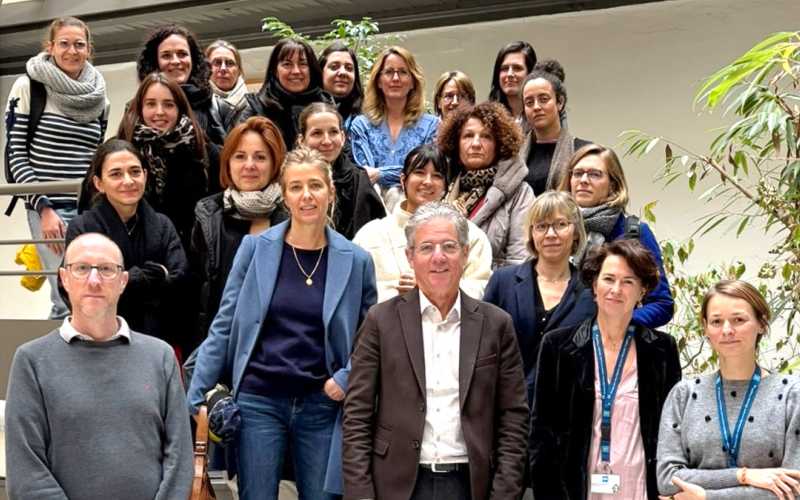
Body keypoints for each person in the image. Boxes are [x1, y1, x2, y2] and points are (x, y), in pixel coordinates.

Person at [187, 146, 377, 500]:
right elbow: (224, 323)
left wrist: (346, 378)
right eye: (295, 187)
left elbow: (371, 338)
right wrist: (195, 397)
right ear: (284, 195)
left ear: (330, 191)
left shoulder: (357, 261)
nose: (306, 195)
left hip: (321, 403)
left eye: (316, 185)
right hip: (259, 400)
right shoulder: (255, 249)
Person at [343, 201, 529, 500]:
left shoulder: (496, 324)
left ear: (465, 254)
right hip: (397, 485)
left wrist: (505, 493)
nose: (438, 257)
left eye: (449, 246)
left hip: (470, 483)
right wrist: (361, 494)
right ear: (410, 256)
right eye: (426, 247)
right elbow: (357, 415)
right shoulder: (381, 320)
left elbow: (513, 418)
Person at [5, 233, 193, 500]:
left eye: (106, 269)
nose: (94, 280)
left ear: (123, 282)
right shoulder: (31, 360)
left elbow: (180, 456)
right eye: (81, 268)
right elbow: (26, 471)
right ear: (64, 279)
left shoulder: (159, 356)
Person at [529, 239, 681, 500]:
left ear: (642, 291)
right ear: (594, 284)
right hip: (576, 489)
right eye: (608, 279)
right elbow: (541, 434)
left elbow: (673, 431)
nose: (616, 289)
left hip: (641, 488)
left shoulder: (661, 350)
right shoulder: (558, 345)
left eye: (628, 281)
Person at [4, 16, 109, 319]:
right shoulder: (29, 87)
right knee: (65, 297)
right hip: (47, 208)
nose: (72, 51)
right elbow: (16, 154)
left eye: (79, 44)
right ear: (50, 47)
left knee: (92, 293)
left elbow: (94, 158)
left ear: (89, 49)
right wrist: (44, 208)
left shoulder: (99, 97)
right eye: (64, 43)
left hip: (89, 208)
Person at [657, 280, 800, 500]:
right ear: (705, 327)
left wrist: (706, 497)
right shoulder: (684, 395)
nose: (727, 330)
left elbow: (794, 489)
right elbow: (668, 479)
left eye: (738, 320)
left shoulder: (791, 394)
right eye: (716, 321)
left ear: (762, 323)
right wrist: (744, 476)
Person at [66, 139, 189, 350]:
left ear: (145, 175)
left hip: (158, 340)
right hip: (99, 341)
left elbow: (179, 278)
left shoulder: (162, 224)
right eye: (115, 174)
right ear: (99, 183)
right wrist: (146, 277)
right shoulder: (82, 226)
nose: (128, 180)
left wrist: (118, 279)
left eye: (135, 171)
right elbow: (77, 287)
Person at [483, 191, 595, 406]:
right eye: (541, 226)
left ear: (576, 233)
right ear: (531, 234)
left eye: (560, 224)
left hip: (566, 414)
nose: (550, 234)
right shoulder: (502, 282)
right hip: (505, 409)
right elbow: (483, 349)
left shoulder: (591, 292)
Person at [191, 116, 288, 346]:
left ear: (275, 163)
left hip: (279, 345)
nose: (249, 165)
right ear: (228, 162)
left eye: (260, 157)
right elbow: (195, 295)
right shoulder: (207, 215)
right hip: (220, 345)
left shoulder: (292, 216)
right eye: (240, 156)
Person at [354, 144, 492, 301]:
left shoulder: (470, 235)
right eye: (419, 173)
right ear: (403, 180)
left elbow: (481, 289)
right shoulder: (370, 235)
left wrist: (432, 289)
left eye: (437, 176)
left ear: (446, 186)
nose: (427, 182)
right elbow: (356, 293)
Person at [557, 143, 674, 328]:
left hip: (615, 347)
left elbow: (662, 305)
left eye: (595, 174)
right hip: (559, 344)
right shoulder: (553, 230)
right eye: (577, 173)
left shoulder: (633, 233)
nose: (584, 180)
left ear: (613, 184)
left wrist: (618, 324)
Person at [117, 72, 208, 246]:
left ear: (179, 108)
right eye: (151, 104)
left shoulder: (201, 147)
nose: (159, 112)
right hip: (134, 250)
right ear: (140, 108)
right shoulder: (118, 150)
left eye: (168, 104)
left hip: (191, 251)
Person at [441, 100, 534, 268]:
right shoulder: (442, 186)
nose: (476, 144)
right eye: (468, 136)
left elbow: (520, 261)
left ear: (499, 145)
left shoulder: (520, 192)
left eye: (486, 137)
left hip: (494, 290)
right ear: (456, 143)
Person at [349, 46, 439, 207]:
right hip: (372, 209)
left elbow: (425, 172)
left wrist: (380, 173)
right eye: (389, 72)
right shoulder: (361, 125)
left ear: (413, 81)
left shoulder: (431, 125)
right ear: (378, 81)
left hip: (417, 210)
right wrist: (402, 172)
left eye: (403, 72)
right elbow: (366, 176)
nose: (395, 78)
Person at [297, 102, 385, 239]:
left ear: (343, 137)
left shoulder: (360, 181)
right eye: (317, 133)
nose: (327, 141)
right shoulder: (291, 182)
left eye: (333, 132)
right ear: (301, 141)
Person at [137, 24, 230, 149]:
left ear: (193, 60)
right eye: (166, 55)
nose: (175, 61)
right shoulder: (136, 109)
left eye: (182, 54)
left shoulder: (219, 109)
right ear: (155, 62)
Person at [239, 38, 333, 149]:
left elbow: (343, 155)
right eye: (287, 64)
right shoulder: (256, 108)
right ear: (275, 70)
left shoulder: (326, 105)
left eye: (303, 64)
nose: (296, 71)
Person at [520, 68, 590, 195]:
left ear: (560, 102)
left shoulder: (583, 151)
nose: (536, 107)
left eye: (543, 99)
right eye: (529, 102)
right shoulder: (515, 154)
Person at [319, 41, 363, 133]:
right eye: (334, 67)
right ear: (321, 72)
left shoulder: (369, 115)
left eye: (349, 68)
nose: (343, 72)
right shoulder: (304, 112)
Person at [487, 41, 537, 119]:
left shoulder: (540, 115)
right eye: (504, 69)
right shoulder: (488, 119)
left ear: (530, 73)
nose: (509, 74)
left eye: (517, 68)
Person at [206, 39, 248, 115]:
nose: (223, 68)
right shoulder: (194, 106)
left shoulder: (255, 108)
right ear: (206, 69)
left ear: (239, 71)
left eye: (230, 63)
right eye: (217, 63)